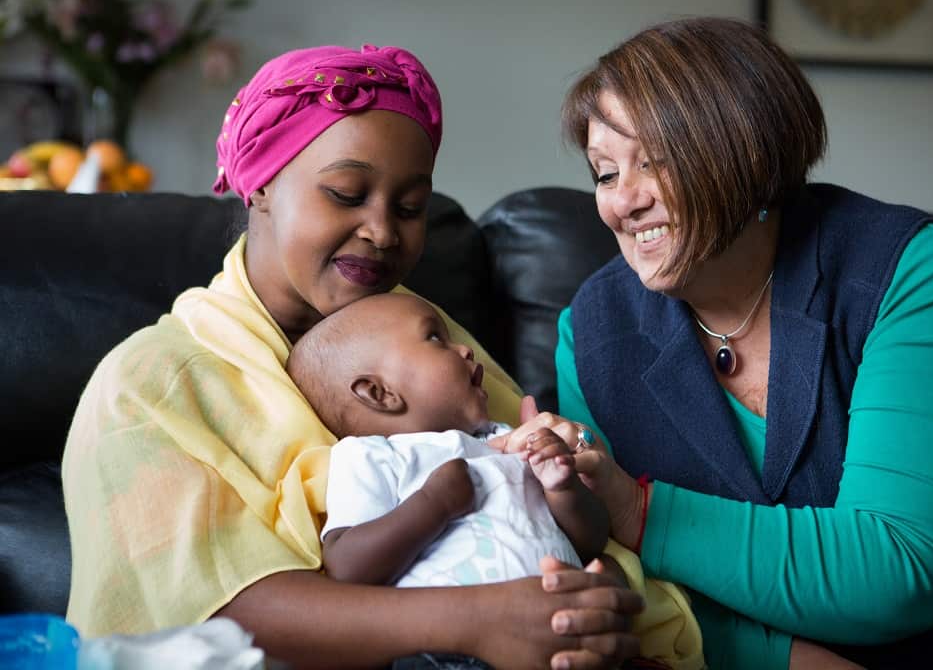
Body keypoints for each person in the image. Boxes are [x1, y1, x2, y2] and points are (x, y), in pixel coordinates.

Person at [61, 43, 645, 669]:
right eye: (345, 192)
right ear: (259, 183)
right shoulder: (148, 385)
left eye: (412, 207)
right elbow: (212, 610)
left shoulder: (434, 331)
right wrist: (478, 620)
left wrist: (583, 594)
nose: (384, 230)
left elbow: (544, 512)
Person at [551, 16, 933, 669]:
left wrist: (640, 512)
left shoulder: (911, 272)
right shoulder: (591, 332)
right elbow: (620, 587)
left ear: (748, 153)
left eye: (654, 162)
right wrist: (782, 660)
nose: (621, 202)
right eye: (605, 173)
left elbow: (901, 566)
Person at [287, 292, 702, 670]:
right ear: (379, 393)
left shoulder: (503, 442)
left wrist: (562, 489)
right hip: (448, 654)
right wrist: (433, 504)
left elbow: (589, 540)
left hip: (566, 640)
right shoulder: (373, 457)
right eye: (435, 339)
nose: (465, 348)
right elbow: (345, 566)